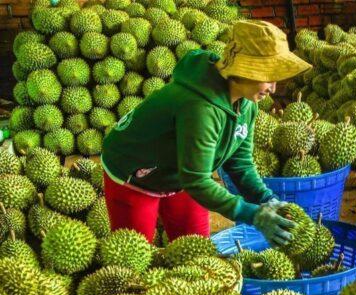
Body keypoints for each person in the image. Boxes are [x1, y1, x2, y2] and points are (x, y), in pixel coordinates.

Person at [100, 20, 311, 246]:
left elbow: (240, 163)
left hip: (184, 175)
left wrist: (266, 198)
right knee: (135, 257)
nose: (273, 89)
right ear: (245, 69)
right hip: (133, 173)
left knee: (197, 250)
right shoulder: (200, 108)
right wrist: (253, 214)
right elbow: (197, 180)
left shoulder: (247, 103)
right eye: (267, 77)